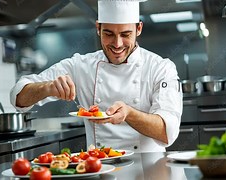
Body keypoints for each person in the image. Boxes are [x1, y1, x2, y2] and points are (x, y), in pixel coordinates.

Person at [10, 0, 183, 153]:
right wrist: (47, 88)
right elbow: (18, 98)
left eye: (125, 34)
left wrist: (129, 113)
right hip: (99, 166)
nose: (117, 44)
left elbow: (168, 132)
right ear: (98, 28)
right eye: (109, 34)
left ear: (138, 28)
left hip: (150, 170)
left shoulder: (160, 67)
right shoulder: (80, 66)